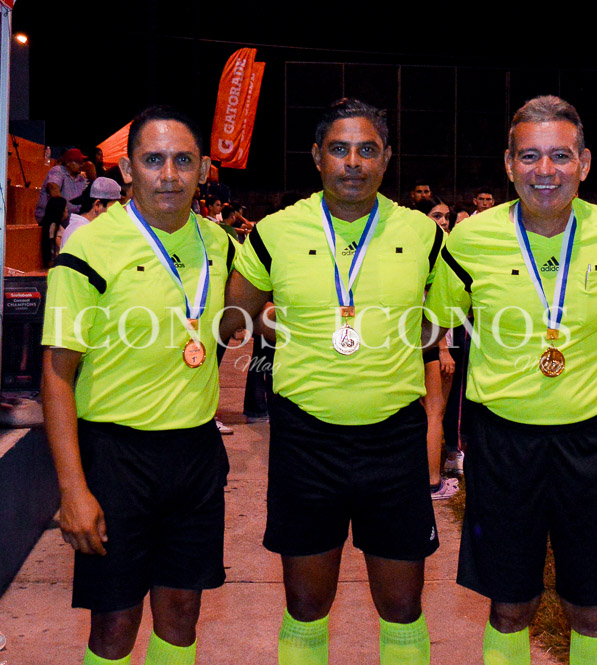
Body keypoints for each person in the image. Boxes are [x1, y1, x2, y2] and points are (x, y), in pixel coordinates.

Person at [424, 95, 597, 665]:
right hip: (503, 443)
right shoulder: (468, 241)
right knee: (509, 605)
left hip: (592, 442)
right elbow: (437, 324)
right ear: (509, 164)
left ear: (585, 163)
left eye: (560, 155)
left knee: (593, 607)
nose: (544, 170)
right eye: (529, 156)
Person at [221, 98, 444, 665]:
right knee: (305, 605)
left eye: (368, 150)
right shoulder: (275, 231)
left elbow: (435, 320)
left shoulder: (423, 233)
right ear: (317, 156)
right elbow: (235, 318)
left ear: (386, 158)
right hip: (306, 440)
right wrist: (272, 323)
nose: (353, 162)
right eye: (340, 149)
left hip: (393, 438)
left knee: (402, 607)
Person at [41, 106, 236, 665]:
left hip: (195, 453)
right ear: (128, 169)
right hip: (115, 456)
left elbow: (230, 321)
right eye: (153, 160)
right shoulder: (89, 248)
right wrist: (73, 490)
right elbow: (56, 374)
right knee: (115, 623)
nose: (169, 175)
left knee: (181, 615)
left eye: (183, 161)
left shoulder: (221, 244)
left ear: (203, 170)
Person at [415, 196, 460, 499]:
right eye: (436, 216)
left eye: (445, 216)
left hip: (424, 339)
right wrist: (442, 348)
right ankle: (432, 481)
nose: (443, 221)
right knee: (434, 412)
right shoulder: (428, 249)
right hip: (429, 341)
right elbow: (430, 304)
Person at [60, 177, 122, 249]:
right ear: (98, 205)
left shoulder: (79, 227)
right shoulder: (82, 231)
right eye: (114, 206)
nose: (117, 211)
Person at [35, 148, 90, 222]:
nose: (81, 165)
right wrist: (63, 209)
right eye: (78, 162)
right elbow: (53, 186)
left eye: (82, 162)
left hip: (73, 218)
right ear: (68, 162)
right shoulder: (58, 171)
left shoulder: (81, 178)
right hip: (53, 217)